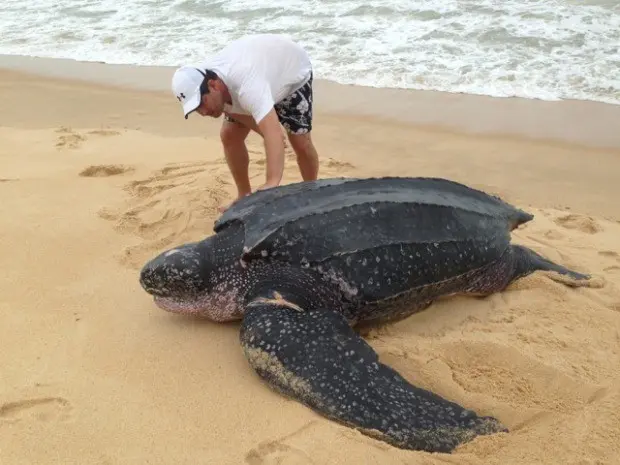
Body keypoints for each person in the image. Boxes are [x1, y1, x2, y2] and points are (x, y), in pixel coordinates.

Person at [171, 34, 320, 212]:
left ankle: (312, 192)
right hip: (260, 75)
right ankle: (244, 194)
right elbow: (248, 118)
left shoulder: (247, 87)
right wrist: (270, 134)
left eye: (201, 103)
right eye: (196, 108)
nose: (202, 112)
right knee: (229, 135)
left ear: (213, 85)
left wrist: (271, 183)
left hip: (292, 72)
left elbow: (272, 133)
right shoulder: (208, 80)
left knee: (300, 143)